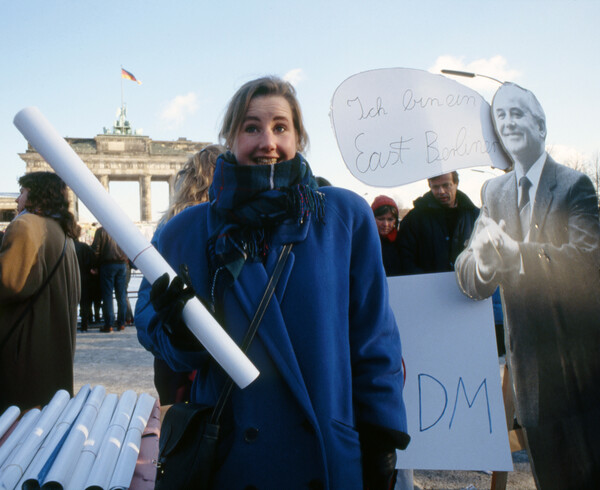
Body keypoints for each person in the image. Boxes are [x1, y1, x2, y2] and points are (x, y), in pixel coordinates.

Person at [136, 76, 409, 489]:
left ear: (298, 136)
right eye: (251, 127)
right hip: (229, 456)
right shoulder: (185, 232)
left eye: (280, 127)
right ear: (230, 137)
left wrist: (381, 436)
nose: (268, 141)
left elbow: (374, 341)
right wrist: (182, 333)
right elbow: (153, 331)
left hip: (326, 453)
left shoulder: (343, 218)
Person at [455, 82, 600, 488]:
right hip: (531, 381)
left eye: (517, 113)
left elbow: (588, 265)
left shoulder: (575, 186)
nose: (508, 121)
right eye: (500, 116)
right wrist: (483, 266)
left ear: (541, 126)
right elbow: (467, 269)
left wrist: (517, 254)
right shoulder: (493, 192)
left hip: (582, 376)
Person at [138, 144, 225, 405]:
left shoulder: (168, 229)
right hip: (191, 368)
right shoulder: (175, 230)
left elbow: (146, 314)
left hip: (176, 370)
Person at [0, 172, 81, 411]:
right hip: (54, 351)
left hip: (25, 351)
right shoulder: (62, 232)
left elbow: (10, 283)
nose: (17, 200)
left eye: (22, 192)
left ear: (36, 195)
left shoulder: (26, 225)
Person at [397, 171, 479, 275]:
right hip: (428, 288)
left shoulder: (475, 217)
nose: (441, 191)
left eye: (446, 185)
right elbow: (405, 256)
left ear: (456, 183)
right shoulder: (414, 219)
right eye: (435, 187)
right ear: (430, 186)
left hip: (466, 288)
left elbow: (486, 255)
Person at [91, 226, 128, 332]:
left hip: (107, 265)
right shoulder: (122, 230)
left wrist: (94, 266)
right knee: (121, 295)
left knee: (107, 296)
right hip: (122, 264)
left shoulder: (101, 231)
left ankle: (109, 324)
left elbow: (96, 250)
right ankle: (121, 323)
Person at [371, 195, 402, 276]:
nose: (386, 224)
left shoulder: (402, 241)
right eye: (381, 219)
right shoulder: (364, 241)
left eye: (390, 219)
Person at [74, 237, 95, 332]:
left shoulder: (68, 246)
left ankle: (72, 324)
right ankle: (84, 323)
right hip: (84, 277)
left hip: (72, 277)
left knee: (71, 303)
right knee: (85, 302)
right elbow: (91, 261)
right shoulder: (85, 247)